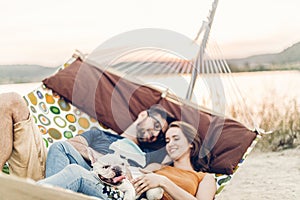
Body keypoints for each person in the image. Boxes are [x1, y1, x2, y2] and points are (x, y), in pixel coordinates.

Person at [0, 92, 173, 180]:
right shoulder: (99, 135)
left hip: (82, 184)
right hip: (44, 166)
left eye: (160, 135)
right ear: (143, 115)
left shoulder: (144, 158)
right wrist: (102, 159)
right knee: (11, 101)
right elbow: (71, 144)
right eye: (156, 125)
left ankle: (51, 191)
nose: (156, 134)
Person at [37, 121, 216, 200]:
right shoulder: (159, 166)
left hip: (126, 198)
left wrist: (163, 181)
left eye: (176, 138)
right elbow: (132, 174)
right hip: (115, 186)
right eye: (167, 140)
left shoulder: (204, 177)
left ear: (192, 143)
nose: (170, 144)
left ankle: (34, 194)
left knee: (75, 173)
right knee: (60, 148)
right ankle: (47, 194)